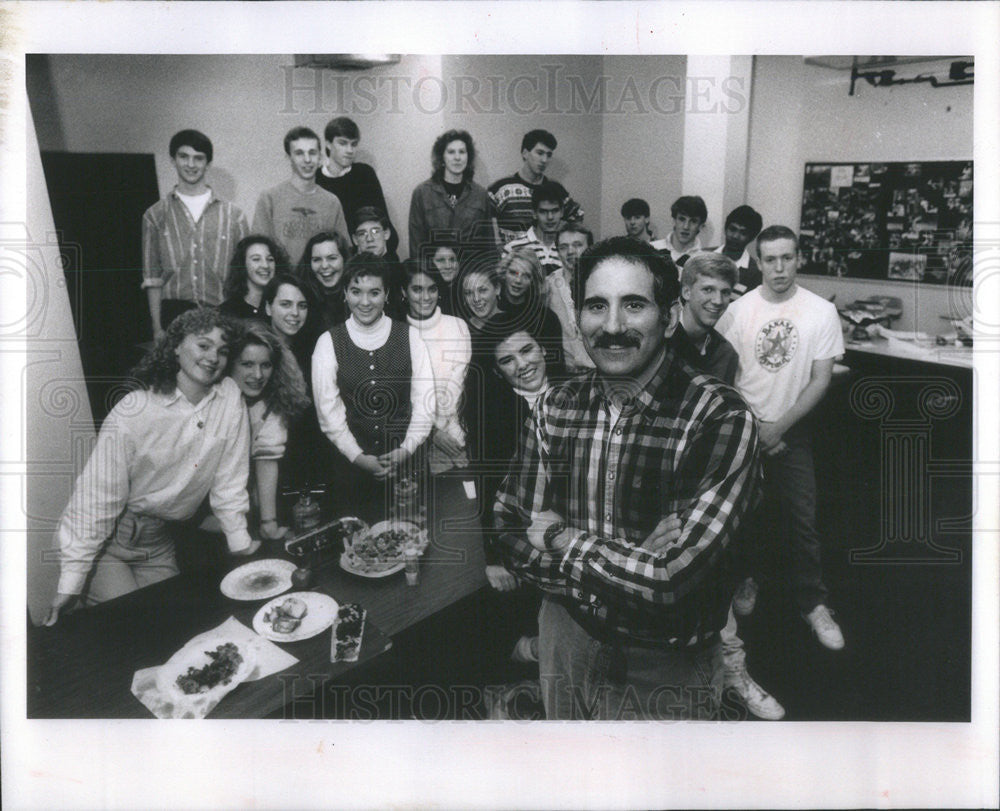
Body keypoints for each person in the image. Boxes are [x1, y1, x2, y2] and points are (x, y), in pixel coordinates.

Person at [494, 236, 761, 720]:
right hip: (565, 642)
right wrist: (638, 556)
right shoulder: (555, 406)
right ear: (578, 318)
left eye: (633, 305)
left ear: (670, 315)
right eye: (597, 306)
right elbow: (510, 529)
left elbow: (673, 585)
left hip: (664, 664)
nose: (612, 326)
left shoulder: (720, 417)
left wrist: (561, 536)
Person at [45, 308, 258, 623]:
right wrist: (71, 582)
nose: (213, 357)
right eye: (203, 345)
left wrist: (239, 540)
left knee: (171, 630)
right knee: (133, 627)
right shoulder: (134, 411)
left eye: (222, 350)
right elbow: (96, 499)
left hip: (159, 543)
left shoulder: (229, 398)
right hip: (109, 543)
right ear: (175, 347)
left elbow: (230, 480)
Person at [669, 252, 785, 721]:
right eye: (707, 291)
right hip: (661, 478)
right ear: (685, 290)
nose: (717, 300)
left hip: (708, 476)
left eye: (725, 293)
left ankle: (732, 671)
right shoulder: (657, 340)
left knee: (720, 561)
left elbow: (723, 416)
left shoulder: (723, 353)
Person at [718, 225, 846, 651]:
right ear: (757, 261)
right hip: (744, 430)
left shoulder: (819, 312)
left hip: (791, 429)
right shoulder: (738, 310)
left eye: (786, 258)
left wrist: (779, 428)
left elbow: (820, 380)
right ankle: (745, 581)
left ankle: (813, 602)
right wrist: (757, 431)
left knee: (802, 518)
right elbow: (723, 380)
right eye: (769, 259)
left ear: (798, 258)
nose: (778, 268)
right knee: (740, 518)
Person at [311, 253, 436, 520]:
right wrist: (358, 457)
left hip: (408, 467)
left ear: (387, 295)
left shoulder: (411, 336)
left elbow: (425, 403)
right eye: (356, 291)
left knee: (413, 543)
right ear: (345, 293)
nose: (365, 302)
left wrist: (406, 449)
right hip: (352, 471)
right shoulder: (327, 342)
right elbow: (328, 413)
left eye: (374, 292)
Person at [142, 129, 249, 339]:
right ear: (173, 160)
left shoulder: (234, 216)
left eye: (198, 158)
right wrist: (156, 328)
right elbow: (152, 278)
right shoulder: (155, 215)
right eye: (184, 157)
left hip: (222, 311)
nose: (191, 165)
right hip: (174, 314)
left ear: (207, 164)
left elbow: (244, 276)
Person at [228, 321, 311, 541]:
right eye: (247, 364)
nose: (257, 375)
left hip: (247, 506)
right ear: (229, 363)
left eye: (265, 365)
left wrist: (268, 523)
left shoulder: (272, 406)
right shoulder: (213, 400)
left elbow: (266, 461)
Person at [401, 260, 471, 475]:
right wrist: (432, 433)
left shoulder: (457, 326)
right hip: (408, 436)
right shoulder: (396, 332)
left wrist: (445, 435)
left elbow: (454, 387)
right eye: (417, 289)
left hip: (452, 433)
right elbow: (403, 395)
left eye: (432, 289)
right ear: (404, 291)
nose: (426, 297)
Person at [261, 273, 326, 496]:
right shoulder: (257, 352)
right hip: (268, 465)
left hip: (303, 464)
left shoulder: (310, 352)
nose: (295, 314)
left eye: (302, 306)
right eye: (286, 304)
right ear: (268, 307)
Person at [252, 126, 350, 267]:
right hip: (282, 284)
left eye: (312, 153)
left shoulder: (331, 202)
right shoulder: (270, 198)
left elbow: (343, 253)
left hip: (320, 284)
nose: (307, 159)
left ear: (320, 157)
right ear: (288, 157)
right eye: (299, 153)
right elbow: (259, 251)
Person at [408, 129, 499, 261]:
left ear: (468, 157)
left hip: (470, 272)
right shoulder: (422, 193)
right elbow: (416, 244)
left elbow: (488, 244)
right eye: (451, 152)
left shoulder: (480, 194)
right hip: (435, 272)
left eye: (462, 152)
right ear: (442, 157)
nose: (457, 157)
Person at [314, 115, 399, 255]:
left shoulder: (364, 173)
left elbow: (383, 224)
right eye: (343, 143)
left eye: (353, 144)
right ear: (328, 144)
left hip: (371, 256)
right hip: (334, 257)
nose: (349, 150)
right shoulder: (316, 179)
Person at [488, 129, 583, 244]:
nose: (544, 160)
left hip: (546, 257)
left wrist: (559, 238)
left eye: (549, 155)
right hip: (512, 257)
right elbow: (484, 218)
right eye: (540, 153)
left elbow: (577, 216)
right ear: (525, 153)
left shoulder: (555, 189)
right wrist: (497, 243)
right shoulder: (502, 189)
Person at [497, 248, 565, 376]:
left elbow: (556, 367)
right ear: (504, 273)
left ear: (533, 280)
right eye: (513, 273)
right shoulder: (491, 311)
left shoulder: (546, 317)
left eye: (526, 276)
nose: (518, 280)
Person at [547, 223, 595, 373]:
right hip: (566, 374)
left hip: (602, 370)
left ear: (590, 248)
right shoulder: (547, 286)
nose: (570, 252)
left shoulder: (603, 282)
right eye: (563, 247)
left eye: (577, 245)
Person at [502, 183, 566, 276]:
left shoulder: (569, 249)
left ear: (562, 212)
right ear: (534, 213)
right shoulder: (512, 248)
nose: (550, 217)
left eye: (555, 211)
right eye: (543, 212)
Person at [219, 235, 287, 321]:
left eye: (270, 259)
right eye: (256, 259)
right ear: (243, 264)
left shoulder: (285, 308)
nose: (265, 265)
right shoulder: (226, 313)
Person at [295, 230, 351, 328]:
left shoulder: (357, 295)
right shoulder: (302, 298)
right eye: (317, 260)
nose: (324, 266)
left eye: (332, 258)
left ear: (344, 260)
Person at [711, 204, 764, 297]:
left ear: (751, 238)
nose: (735, 236)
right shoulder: (703, 256)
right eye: (733, 229)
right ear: (725, 229)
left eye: (743, 233)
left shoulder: (755, 273)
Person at [651, 195, 708, 269]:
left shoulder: (703, 260)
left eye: (693, 221)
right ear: (674, 220)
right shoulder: (652, 249)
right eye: (682, 219)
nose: (686, 227)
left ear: (700, 226)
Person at [420, 239, 463, 316]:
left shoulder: (466, 292)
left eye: (452, 260)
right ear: (429, 263)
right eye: (441, 260)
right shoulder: (424, 295)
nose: (448, 266)